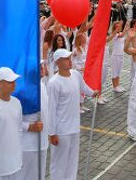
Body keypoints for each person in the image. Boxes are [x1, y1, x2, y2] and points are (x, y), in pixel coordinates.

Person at [47, 48, 97, 180]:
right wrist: (52, 133)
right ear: (58, 62)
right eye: (66, 59)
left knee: (72, 160)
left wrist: (93, 93)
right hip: (61, 130)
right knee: (59, 162)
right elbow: (51, 110)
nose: (70, 61)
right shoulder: (53, 83)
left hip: (75, 126)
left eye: (70, 58)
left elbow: (84, 87)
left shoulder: (75, 74)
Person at [20, 62, 49, 180]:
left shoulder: (42, 86)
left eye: (43, 66)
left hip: (42, 142)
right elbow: (11, 120)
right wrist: (29, 127)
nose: (43, 68)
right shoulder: (22, 92)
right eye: (39, 66)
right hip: (28, 146)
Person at [110, 21, 127, 93]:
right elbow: (122, 35)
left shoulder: (120, 33)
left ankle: (117, 85)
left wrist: (125, 27)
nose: (119, 27)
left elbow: (123, 38)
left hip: (121, 54)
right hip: (115, 55)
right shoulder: (114, 35)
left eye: (119, 26)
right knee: (115, 71)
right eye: (117, 26)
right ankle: (114, 86)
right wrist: (124, 27)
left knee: (119, 71)